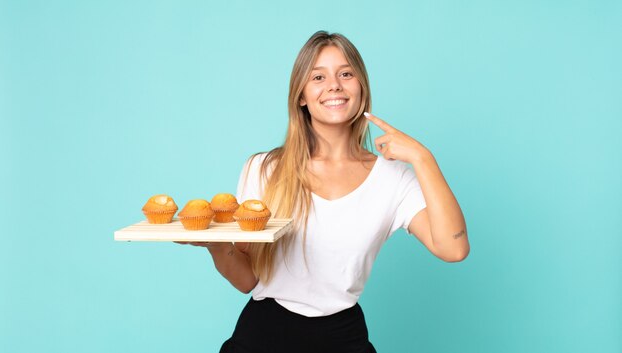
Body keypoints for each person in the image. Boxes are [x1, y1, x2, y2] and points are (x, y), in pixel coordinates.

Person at [180, 30, 470, 353]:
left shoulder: (392, 178)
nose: (334, 85)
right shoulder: (263, 169)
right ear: (301, 95)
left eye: (346, 74)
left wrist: (422, 157)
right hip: (263, 336)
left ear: (361, 88)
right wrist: (215, 245)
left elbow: (453, 249)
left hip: (343, 338)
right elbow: (248, 280)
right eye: (318, 76)